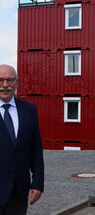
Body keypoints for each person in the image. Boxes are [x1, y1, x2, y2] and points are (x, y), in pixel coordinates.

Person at [0, 64, 44, 215]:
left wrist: (38, 183)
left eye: (10, 80)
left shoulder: (29, 110)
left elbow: (35, 149)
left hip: (19, 191)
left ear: (17, 83)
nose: (5, 85)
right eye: (1, 80)